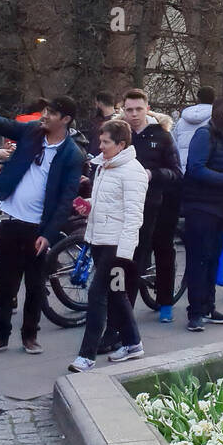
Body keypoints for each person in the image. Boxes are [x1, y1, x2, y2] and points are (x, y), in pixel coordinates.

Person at [0, 96, 85, 356]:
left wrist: (48, 235)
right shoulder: (31, 131)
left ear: (66, 119)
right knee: (5, 283)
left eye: (51, 113)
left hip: (38, 227)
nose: (44, 116)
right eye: (45, 111)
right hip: (11, 218)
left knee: (35, 285)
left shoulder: (71, 154)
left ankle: (30, 336)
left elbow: (65, 199)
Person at [68, 119, 149, 372]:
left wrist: (124, 255)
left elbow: (134, 216)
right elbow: (109, 202)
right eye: (100, 141)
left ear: (121, 144)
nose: (100, 146)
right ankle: (133, 343)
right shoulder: (105, 166)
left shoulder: (132, 172)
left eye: (106, 142)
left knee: (97, 294)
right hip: (100, 239)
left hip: (116, 246)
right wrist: (88, 204)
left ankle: (87, 355)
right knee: (117, 294)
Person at [115, 89, 182, 326]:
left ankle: (165, 303)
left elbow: (176, 172)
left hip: (161, 203)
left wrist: (152, 174)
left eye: (138, 109)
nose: (133, 114)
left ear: (147, 108)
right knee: (129, 257)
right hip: (128, 205)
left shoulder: (162, 136)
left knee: (163, 252)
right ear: (123, 109)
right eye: (129, 109)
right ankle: (123, 307)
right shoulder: (119, 133)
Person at [181, 95, 223, 327]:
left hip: (220, 210)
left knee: (212, 261)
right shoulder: (203, 135)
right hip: (201, 209)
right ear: (221, 112)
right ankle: (195, 312)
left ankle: (209, 307)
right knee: (199, 261)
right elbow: (195, 169)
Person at [172, 86, 215, 172]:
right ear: (214, 99)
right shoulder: (215, 120)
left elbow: (174, 142)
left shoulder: (182, 120)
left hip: (182, 168)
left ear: (198, 98)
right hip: (206, 170)